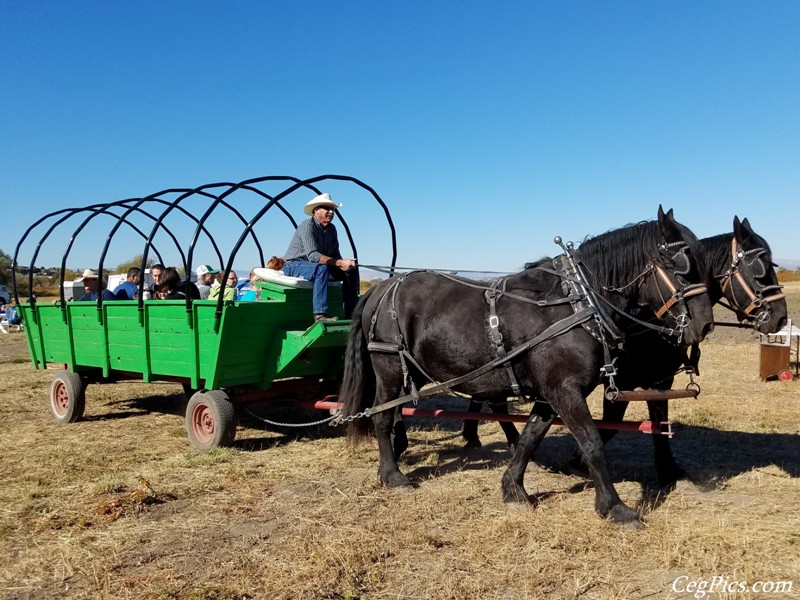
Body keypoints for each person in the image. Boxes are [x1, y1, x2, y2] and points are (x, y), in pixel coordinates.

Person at [283, 193, 359, 321]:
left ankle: (352, 312)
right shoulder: (307, 226)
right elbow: (313, 256)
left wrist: (345, 264)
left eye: (332, 209)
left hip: (316, 266)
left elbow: (335, 254)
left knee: (350, 271)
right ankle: (319, 315)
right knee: (321, 269)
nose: (331, 212)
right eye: (326, 208)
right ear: (315, 211)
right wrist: (340, 263)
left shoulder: (332, 229)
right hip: (294, 264)